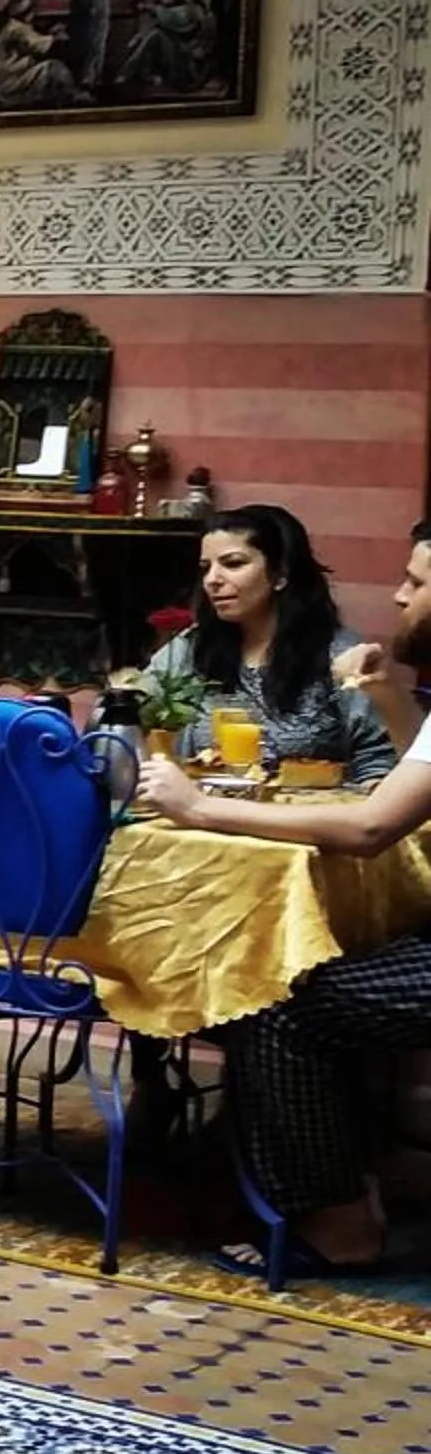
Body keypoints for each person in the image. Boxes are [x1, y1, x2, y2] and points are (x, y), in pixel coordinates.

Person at [138, 517, 431, 1275]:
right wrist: (386, 694)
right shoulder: (186, 656)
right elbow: (412, 763)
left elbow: (371, 823)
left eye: (417, 583)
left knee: (273, 1000)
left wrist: (201, 811)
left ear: (279, 573)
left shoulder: (328, 652)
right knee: (279, 975)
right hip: (245, 850)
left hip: (317, 851)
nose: (397, 595)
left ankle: (339, 1220)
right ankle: (343, 1170)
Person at [143, 504, 395, 786]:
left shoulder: (339, 654)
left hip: (309, 822)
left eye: (233, 563)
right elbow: (133, 708)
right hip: (205, 820)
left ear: (280, 574)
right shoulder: (192, 649)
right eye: (206, 567)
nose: (212, 580)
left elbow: (379, 764)